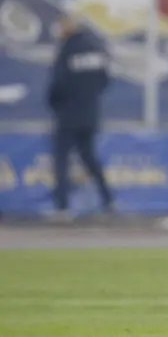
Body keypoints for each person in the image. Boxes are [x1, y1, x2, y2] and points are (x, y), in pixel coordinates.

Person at [46, 14, 113, 219]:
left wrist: (54, 104)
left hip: (67, 114)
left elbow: (58, 83)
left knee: (61, 160)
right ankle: (108, 200)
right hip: (90, 113)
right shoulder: (96, 47)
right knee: (89, 157)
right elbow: (104, 80)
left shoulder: (67, 49)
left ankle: (62, 207)